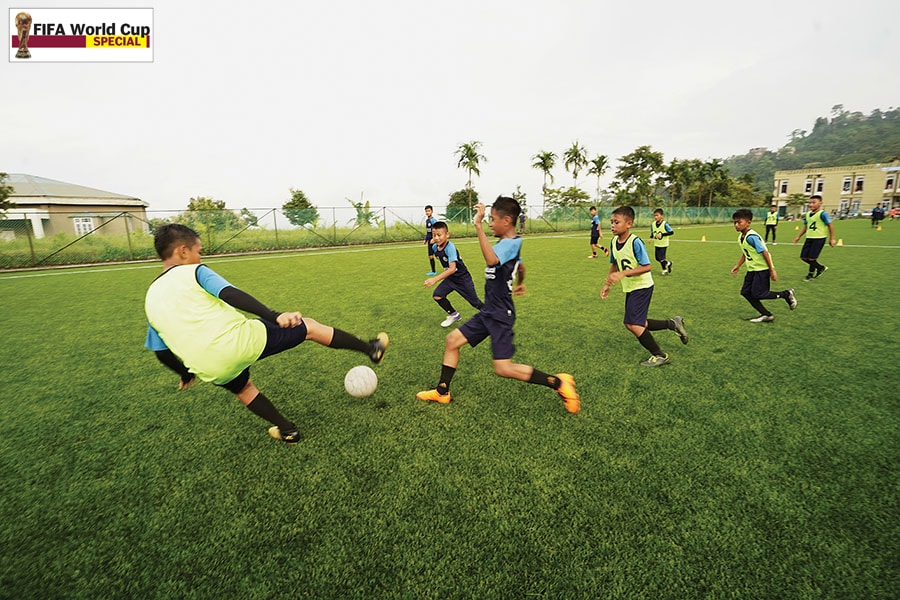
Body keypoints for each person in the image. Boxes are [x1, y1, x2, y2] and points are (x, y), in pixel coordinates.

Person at [144, 224, 389, 444]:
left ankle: (287, 430)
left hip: (207, 366)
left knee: (244, 390)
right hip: (238, 341)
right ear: (183, 252)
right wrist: (274, 315)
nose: (200, 257)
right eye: (199, 252)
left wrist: (185, 373)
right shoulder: (194, 272)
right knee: (310, 327)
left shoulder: (150, 298)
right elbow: (230, 293)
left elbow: (161, 352)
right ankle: (372, 348)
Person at [416, 196, 580, 413]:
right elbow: (520, 267)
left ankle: (559, 383)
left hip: (501, 313)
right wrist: (520, 283)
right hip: (490, 311)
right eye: (488, 220)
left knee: (503, 368)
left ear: (507, 220)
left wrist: (477, 225)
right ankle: (442, 391)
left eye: (493, 219)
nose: (490, 223)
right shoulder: (507, 244)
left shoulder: (511, 243)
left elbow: (492, 260)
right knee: (452, 341)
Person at [600, 206, 688, 367]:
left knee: (634, 324)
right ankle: (672, 323)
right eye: (611, 222)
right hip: (631, 287)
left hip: (642, 286)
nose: (612, 225)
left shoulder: (635, 242)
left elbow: (646, 266)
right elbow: (614, 264)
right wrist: (607, 284)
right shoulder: (613, 242)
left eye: (616, 222)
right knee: (632, 323)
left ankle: (660, 355)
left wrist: (623, 274)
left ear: (628, 224)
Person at [731, 209, 797, 322]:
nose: (736, 225)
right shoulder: (742, 237)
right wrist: (738, 265)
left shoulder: (752, 237)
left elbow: (765, 252)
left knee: (759, 294)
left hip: (761, 269)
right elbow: (746, 252)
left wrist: (772, 270)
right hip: (752, 269)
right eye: (734, 222)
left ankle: (786, 294)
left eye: (739, 222)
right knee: (746, 292)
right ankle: (767, 315)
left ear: (748, 222)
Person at [424, 221, 484, 327]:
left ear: (447, 235)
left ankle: (492, 316)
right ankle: (454, 315)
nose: (437, 238)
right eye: (434, 235)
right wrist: (430, 240)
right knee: (437, 295)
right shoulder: (435, 247)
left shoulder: (450, 247)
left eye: (439, 235)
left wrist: (434, 279)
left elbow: (452, 269)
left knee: (475, 303)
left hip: (462, 279)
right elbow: (438, 253)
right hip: (450, 279)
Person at [792, 194, 836, 281]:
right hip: (809, 238)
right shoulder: (808, 214)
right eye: (809, 203)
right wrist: (798, 236)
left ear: (820, 203)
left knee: (812, 258)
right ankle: (820, 268)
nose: (811, 205)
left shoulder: (823, 214)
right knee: (803, 257)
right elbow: (805, 227)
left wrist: (832, 238)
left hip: (819, 238)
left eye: (814, 202)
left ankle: (810, 274)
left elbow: (830, 225)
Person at [649, 208, 674, 274]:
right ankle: (668, 263)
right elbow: (652, 232)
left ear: (661, 216)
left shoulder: (665, 224)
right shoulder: (653, 224)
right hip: (657, 243)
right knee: (657, 258)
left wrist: (662, 234)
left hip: (663, 244)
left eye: (657, 215)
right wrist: (651, 237)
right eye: (654, 216)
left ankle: (664, 270)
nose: (655, 217)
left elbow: (671, 232)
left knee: (661, 258)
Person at [424, 205, 437, 276]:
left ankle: (450, 267)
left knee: (439, 255)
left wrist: (434, 238)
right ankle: (433, 271)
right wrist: (426, 239)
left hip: (434, 241)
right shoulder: (427, 221)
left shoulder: (433, 220)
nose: (427, 212)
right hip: (429, 240)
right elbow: (428, 232)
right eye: (426, 211)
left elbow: (436, 230)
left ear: (432, 211)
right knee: (430, 256)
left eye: (429, 211)